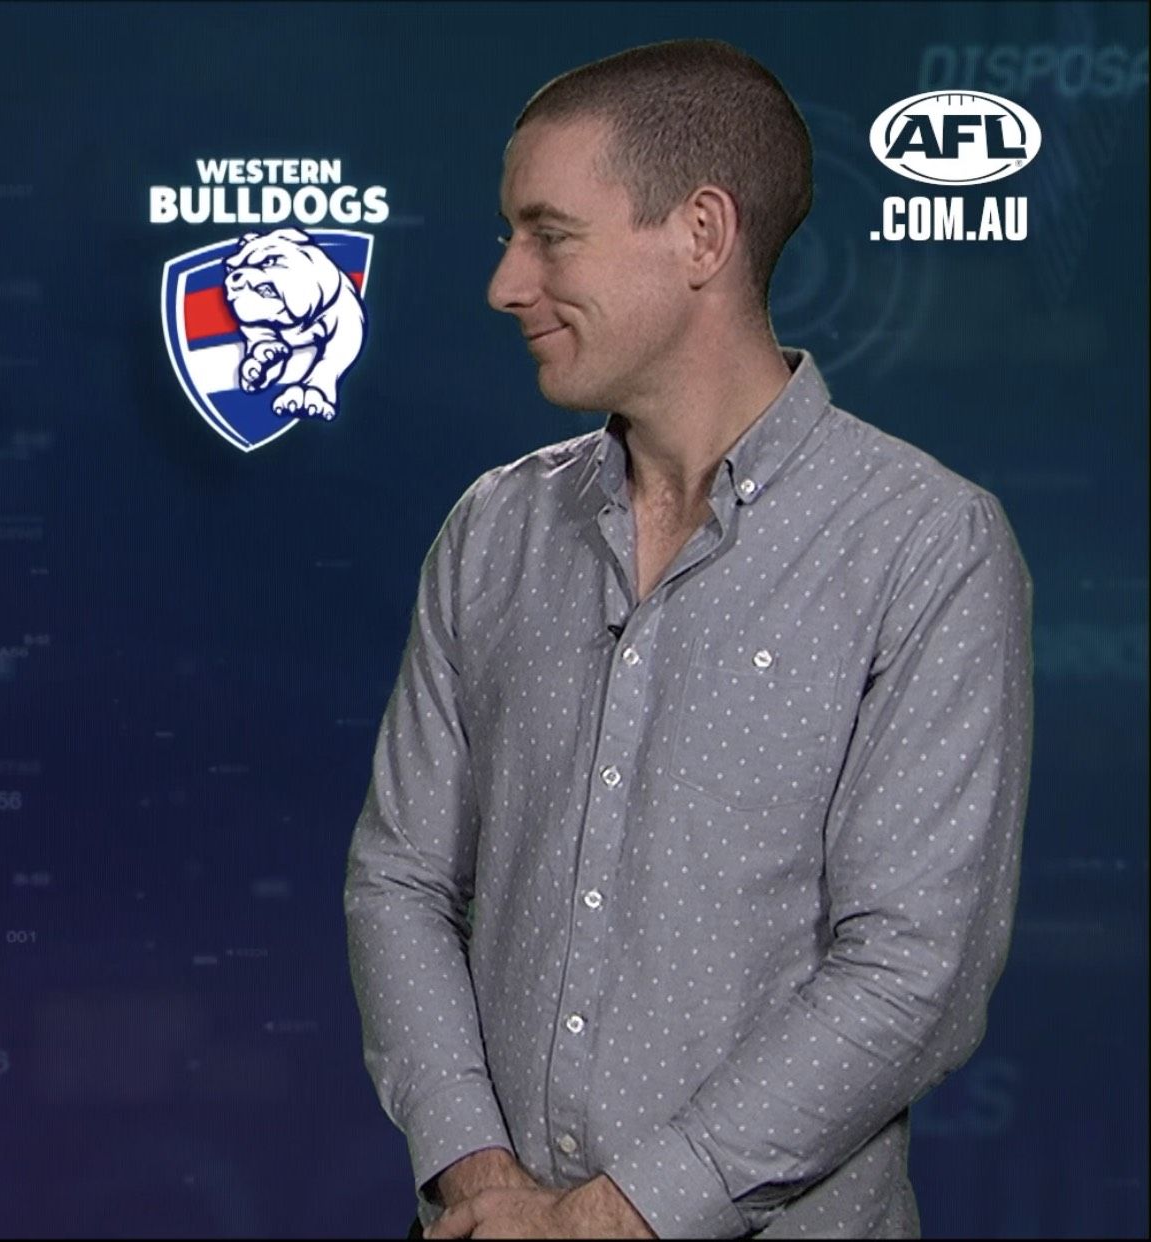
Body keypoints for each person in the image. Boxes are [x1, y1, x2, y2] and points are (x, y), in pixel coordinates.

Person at [345, 39, 1032, 1240]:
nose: (506, 283)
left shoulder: (926, 545)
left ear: (702, 235)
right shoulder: (494, 529)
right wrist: (482, 1179)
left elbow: (913, 974)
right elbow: (400, 880)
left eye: (550, 235)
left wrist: (608, 1220)